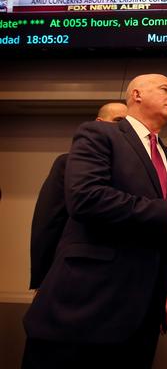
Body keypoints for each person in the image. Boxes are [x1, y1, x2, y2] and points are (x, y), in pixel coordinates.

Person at [22, 74, 167, 369]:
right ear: (137, 95)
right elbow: (86, 198)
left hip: (141, 317)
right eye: (166, 89)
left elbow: (163, 227)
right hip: (84, 308)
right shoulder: (98, 135)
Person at [29, 102, 128, 290]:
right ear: (99, 123)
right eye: (117, 121)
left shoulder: (136, 172)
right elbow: (48, 222)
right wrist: (41, 280)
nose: (122, 128)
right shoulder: (68, 164)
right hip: (73, 275)